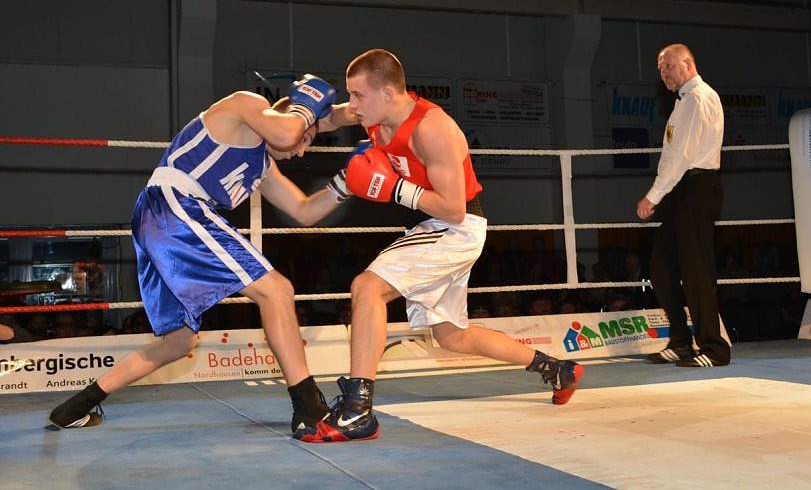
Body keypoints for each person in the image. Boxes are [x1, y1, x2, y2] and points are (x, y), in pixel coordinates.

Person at [293, 49, 583, 444]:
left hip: (454, 224)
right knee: (451, 336)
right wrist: (298, 122)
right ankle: (556, 368)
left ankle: (358, 411)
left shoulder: (433, 129)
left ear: (389, 93)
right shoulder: (373, 112)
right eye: (351, 95)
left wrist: (394, 188)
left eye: (358, 96)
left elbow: (453, 207)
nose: (353, 106)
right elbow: (328, 118)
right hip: (433, 225)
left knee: (367, 287)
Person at [48, 75, 351, 430]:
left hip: (160, 218)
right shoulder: (245, 106)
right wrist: (304, 108)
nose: (301, 150)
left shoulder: (264, 165)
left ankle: (75, 406)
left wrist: (349, 181)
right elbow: (288, 131)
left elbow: (304, 211)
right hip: (177, 206)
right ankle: (310, 409)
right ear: (284, 116)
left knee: (178, 342)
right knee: (277, 290)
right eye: (306, 139)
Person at [637, 44, 731, 368]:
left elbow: (682, 157)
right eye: (660, 69)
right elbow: (673, 158)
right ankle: (680, 343)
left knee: (696, 271)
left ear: (688, 64)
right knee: (661, 269)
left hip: (696, 187)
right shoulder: (683, 103)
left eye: (668, 66)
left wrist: (653, 196)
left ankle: (715, 348)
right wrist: (662, 193)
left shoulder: (698, 99)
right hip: (682, 190)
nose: (663, 73)